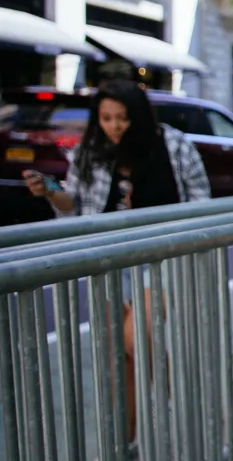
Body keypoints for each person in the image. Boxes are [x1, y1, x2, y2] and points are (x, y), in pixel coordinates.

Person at [23, 79, 210, 441]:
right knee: (118, 357)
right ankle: (123, 441)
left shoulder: (172, 144)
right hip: (110, 261)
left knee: (135, 336)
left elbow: (203, 199)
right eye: (106, 118)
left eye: (122, 118)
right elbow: (74, 206)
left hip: (162, 257)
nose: (114, 126)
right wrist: (50, 191)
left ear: (138, 116)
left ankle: (182, 407)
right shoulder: (89, 150)